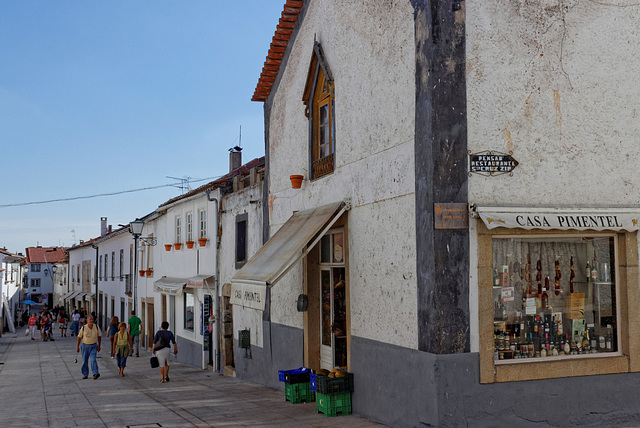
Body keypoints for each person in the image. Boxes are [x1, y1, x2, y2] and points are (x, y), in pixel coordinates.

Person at [76, 315, 101, 380]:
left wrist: (99, 346)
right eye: (90, 319)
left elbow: (99, 336)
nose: (91, 320)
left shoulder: (96, 327)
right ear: (87, 320)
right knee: (85, 361)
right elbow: (79, 338)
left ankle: (95, 373)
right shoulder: (83, 328)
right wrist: (77, 347)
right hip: (85, 346)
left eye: (92, 319)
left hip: (93, 346)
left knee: (93, 360)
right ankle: (85, 374)